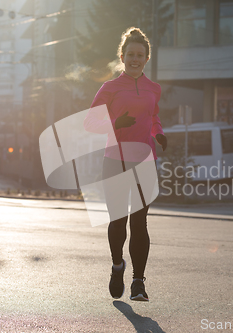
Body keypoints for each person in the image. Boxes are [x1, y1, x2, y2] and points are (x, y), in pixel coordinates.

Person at [84, 27, 167, 302]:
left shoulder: (153, 89)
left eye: (140, 55)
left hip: (144, 161)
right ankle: (117, 266)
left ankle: (139, 283)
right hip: (115, 161)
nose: (135, 58)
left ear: (147, 58)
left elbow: (153, 117)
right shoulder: (110, 88)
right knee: (118, 221)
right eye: (130, 54)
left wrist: (159, 133)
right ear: (122, 56)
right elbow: (90, 122)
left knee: (140, 222)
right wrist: (114, 123)